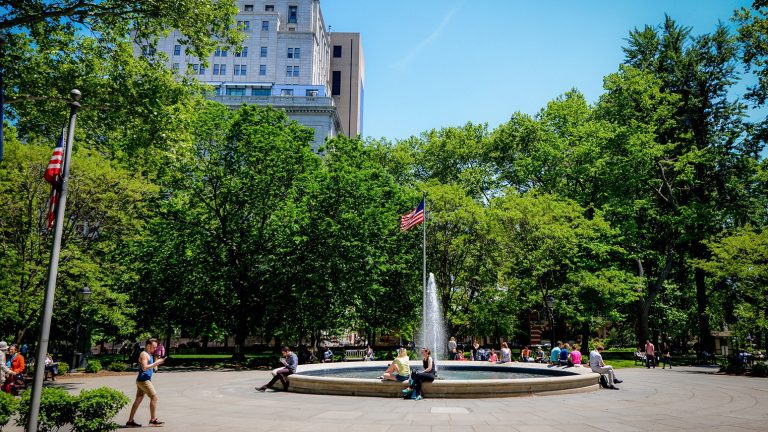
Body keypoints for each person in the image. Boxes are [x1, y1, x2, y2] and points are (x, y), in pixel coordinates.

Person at [126, 338, 166, 427]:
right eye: (153, 347)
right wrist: (156, 363)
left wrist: (157, 363)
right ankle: (153, 420)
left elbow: (151, 367)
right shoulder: (144, 354)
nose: (155, 349)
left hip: (142, 380)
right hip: (144, 380)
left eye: (156, 347)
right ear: (148, 346)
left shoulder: (149, 354)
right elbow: (144, 367)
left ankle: (130, 421)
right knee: (154, 397)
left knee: (138, 399)